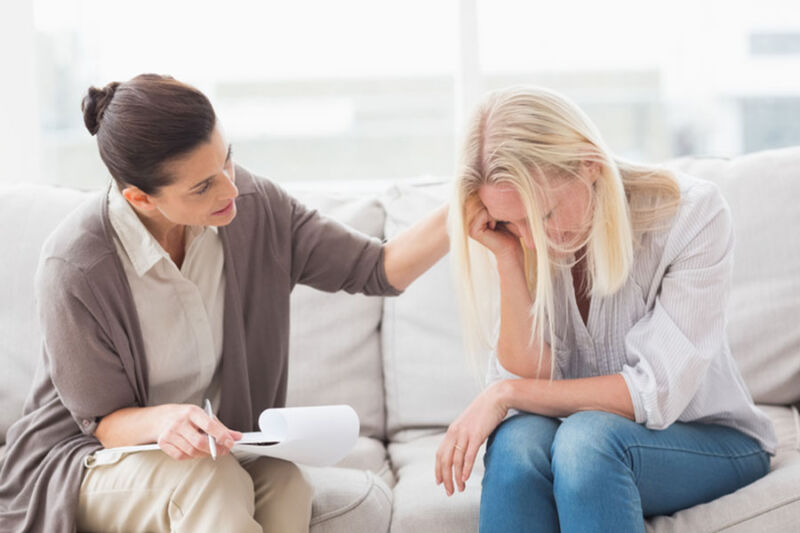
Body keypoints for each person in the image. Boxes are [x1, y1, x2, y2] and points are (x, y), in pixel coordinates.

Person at [0, 74, 449, 533]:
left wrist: (465, 206)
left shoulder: (255, 209)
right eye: (201, 187)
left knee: (283, 481)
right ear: (140, 198)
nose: (230, 190)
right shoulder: (76, 265)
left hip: (210, 455)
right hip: (87, 461)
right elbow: (102, 423)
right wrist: (167, 420)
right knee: (209, 483)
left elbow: (378, 267)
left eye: (227, 160)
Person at [435, 86, 776, 532]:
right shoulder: (522, 242)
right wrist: (507, 258)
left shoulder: (693, 214)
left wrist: (503, 394)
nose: (532, 239)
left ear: (589, 163)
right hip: (579, 439)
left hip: (711, 439)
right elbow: (525, 376)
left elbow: (653, 392)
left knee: (585, 443)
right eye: (510, 223)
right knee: (516, 444)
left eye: (544, 214)